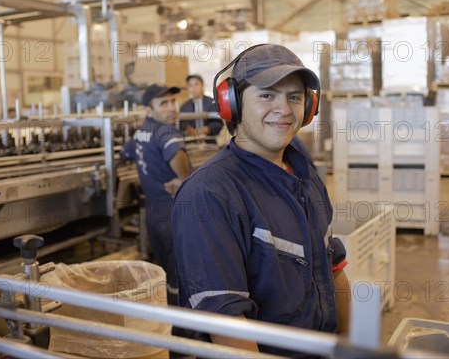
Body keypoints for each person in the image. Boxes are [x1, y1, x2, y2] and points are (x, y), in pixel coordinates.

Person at [171, 44, 349, 356]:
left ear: (310, 107)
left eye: (294, 96)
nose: (285, 109)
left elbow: (334, 269)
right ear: (231, 104)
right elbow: (226, 323)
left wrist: (350, 350)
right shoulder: (210, 194)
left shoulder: (306, 176)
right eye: (267, 94)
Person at [121, 84, 190, 306]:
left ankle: (166, 317)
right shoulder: (166, 131)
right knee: (180, 271)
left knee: (163, 270)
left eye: (172, 101)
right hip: (172, 211)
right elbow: (177, 153)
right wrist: (184, 180)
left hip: (154, 212)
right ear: (149, 110)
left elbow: (126, 151)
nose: (171, 107)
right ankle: (184, 328)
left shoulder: (141, 131)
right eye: (164, 103)